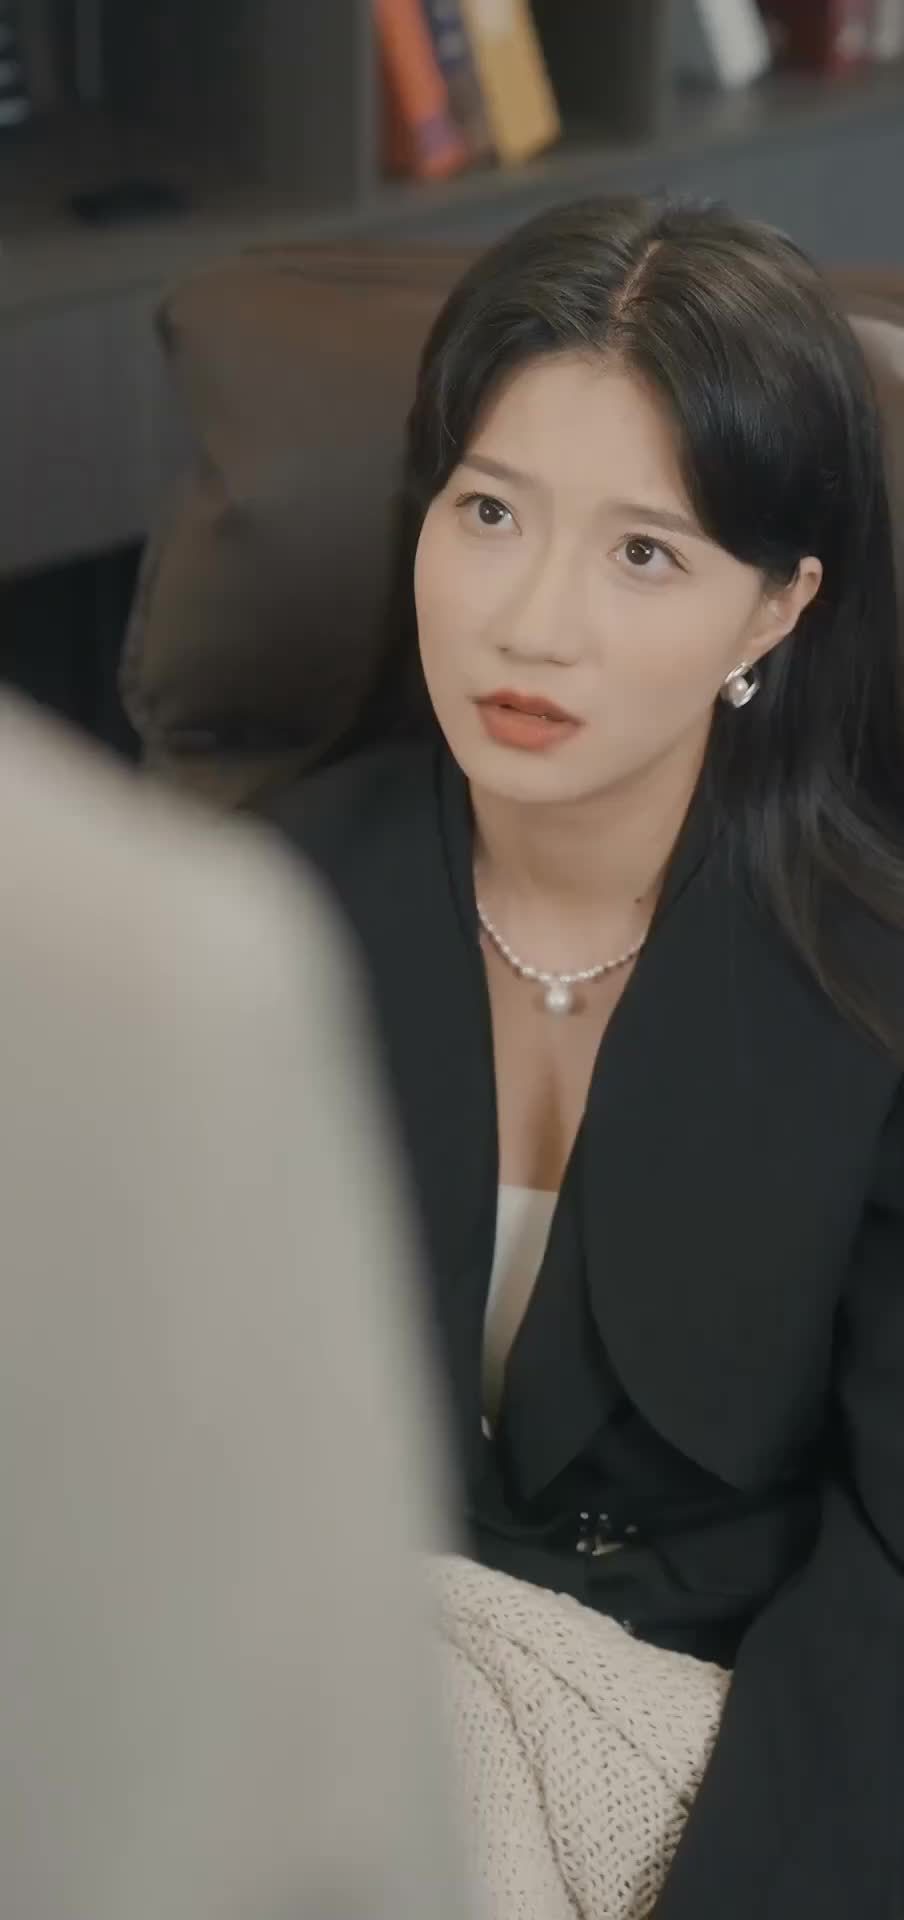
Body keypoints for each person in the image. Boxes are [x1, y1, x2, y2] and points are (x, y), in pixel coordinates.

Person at [266, 194, 904, 1919]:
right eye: (490, 511)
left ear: (775, 612)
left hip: (716, 1760)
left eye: (645, 553)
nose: (531, 622)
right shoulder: (248, 916)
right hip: (318, 1709)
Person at [0, 695, 469, 1920]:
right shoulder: (223, 921)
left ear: (779, 613)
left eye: (642, 583)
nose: (538, 624)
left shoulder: (144, 960)